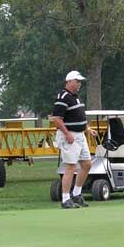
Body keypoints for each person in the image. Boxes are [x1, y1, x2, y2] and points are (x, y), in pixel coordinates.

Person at [51, 71, 97, 209]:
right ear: (69, 81)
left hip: (80, 135)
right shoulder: (63, 96)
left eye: (80, 81)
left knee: (87, 164)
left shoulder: (75, 97)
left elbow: (78, 117)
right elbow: (57, 119)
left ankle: (76, 193)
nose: (79, 84)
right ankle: (65, 198)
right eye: (77, 81)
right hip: (69, 136)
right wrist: (67, 134)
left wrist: (87, 129)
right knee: (70, 166)